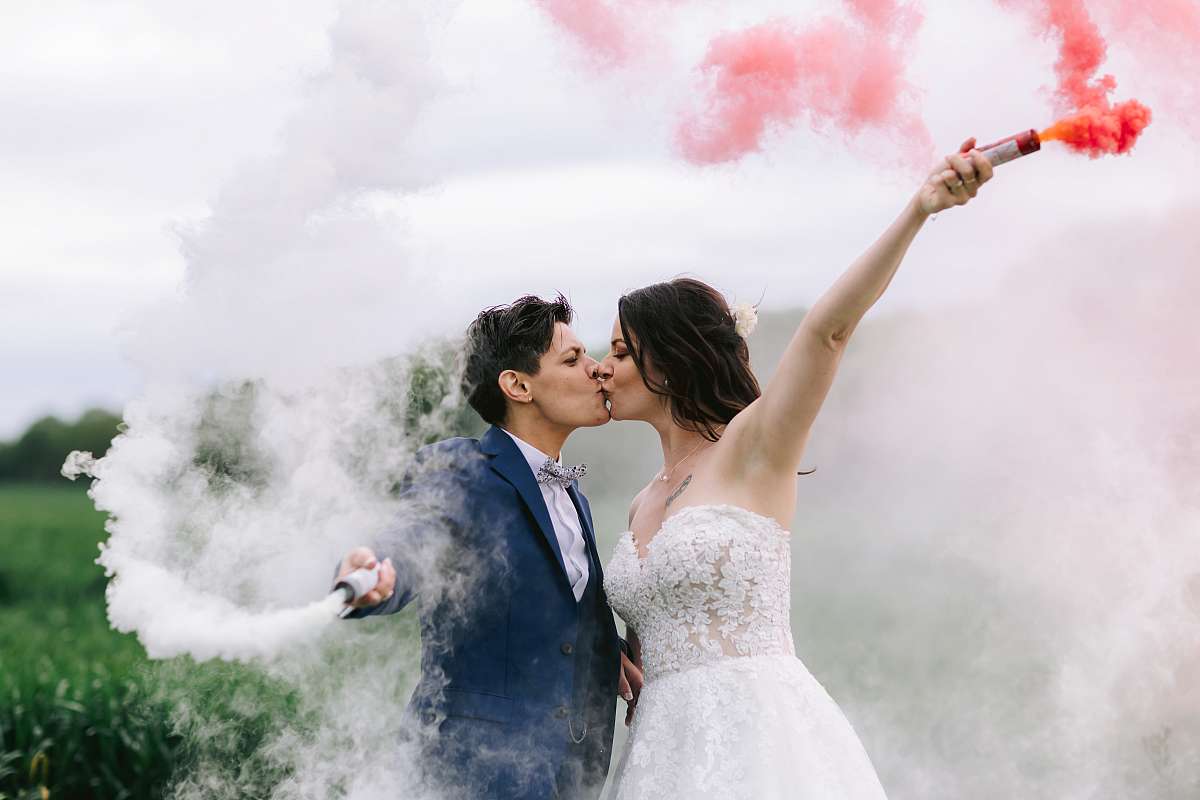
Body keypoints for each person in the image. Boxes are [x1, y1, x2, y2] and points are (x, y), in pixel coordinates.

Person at [597, 142, 995, 798]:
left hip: (760, 740)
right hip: (658, 757)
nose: (603, 367)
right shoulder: (641, 502)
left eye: (619, 350)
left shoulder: (756, 447)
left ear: (666, 362)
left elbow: (826, 333)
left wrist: (918, 211)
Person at [335, 294, 643, 799]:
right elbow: (417, 533)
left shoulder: (574, 497)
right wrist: (379, 572)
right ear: (517, 384)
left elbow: (556, 611)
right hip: (470, 775)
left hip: (568, 775)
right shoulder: (460, 469)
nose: (598, 371)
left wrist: (605, 652)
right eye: (573, 359)